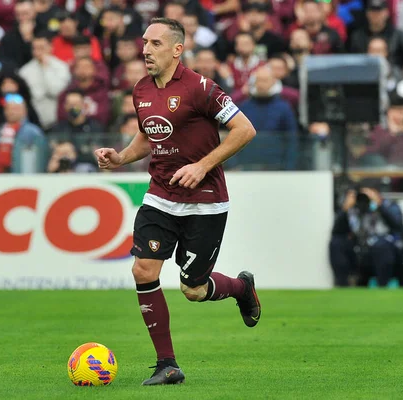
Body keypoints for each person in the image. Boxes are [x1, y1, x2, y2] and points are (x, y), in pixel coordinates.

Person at [94, 18, 259, 385]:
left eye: (155, 43)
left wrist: (202, 165)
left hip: (205, 201)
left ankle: (241, 287)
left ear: (177, 49)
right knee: (143, 270)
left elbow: (244, 129)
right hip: (161, 196)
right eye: (144, 43)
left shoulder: (201, 87)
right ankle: (167, 364)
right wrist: (120, 158)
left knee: (193, 289)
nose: (146, 50)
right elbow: (147, 135)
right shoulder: (140, 90)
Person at [329, 186, 403, 287]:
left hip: (386, 251)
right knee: (337, 243)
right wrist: (345, 209)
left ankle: (382, 287)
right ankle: (342, 286)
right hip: (360, 251)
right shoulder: (352, 210)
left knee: (381, 246)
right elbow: (336, 232)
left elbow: (398, 226)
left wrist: (379, 205)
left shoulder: (388, 206)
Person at [237, 66, 298, 170]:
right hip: (248, 166)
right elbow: (236, 139)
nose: (261, 84)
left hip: (277, 166)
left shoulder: (284, 108)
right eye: (258, 80)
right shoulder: (243, 108)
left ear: (273, 82)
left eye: (265, 80)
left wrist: (289, 168)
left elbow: (292, 140)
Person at [19, 31, 71, 130]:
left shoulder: (61, 67)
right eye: (35, 48)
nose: (38, 51)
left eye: (42, 48)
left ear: (51, 47)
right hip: (33, 121)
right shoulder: (25, 71)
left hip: (56, 121)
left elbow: (55, 91)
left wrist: (46, 68)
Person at [0, 93, 48, 173]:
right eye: (8, 109)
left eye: (15, 109)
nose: (11, 112)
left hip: (19, 174)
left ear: (24, 111)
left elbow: (40, 158)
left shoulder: (33, 132)